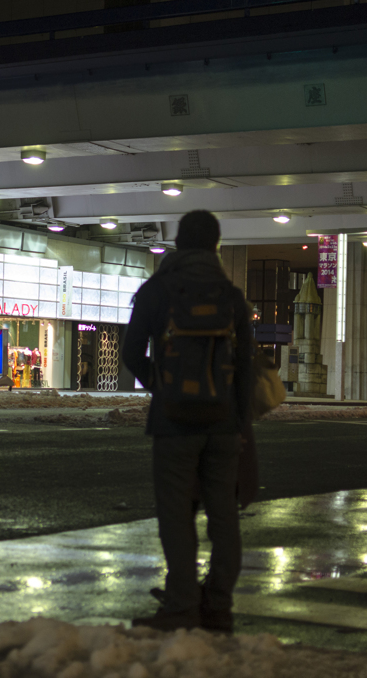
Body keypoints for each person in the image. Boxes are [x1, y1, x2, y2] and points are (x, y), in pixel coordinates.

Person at [122, 210, 253, 634]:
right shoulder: (231, 297)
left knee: (176, 516)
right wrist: (241, 423)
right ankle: (219, 605)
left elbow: (129, 351)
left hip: (173, 422)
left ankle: (181, 605)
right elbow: (248, 367)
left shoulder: (157, 290)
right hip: (222, 423)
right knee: (223, 516)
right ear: (216, 246)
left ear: (178, 243)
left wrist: (161, 385)